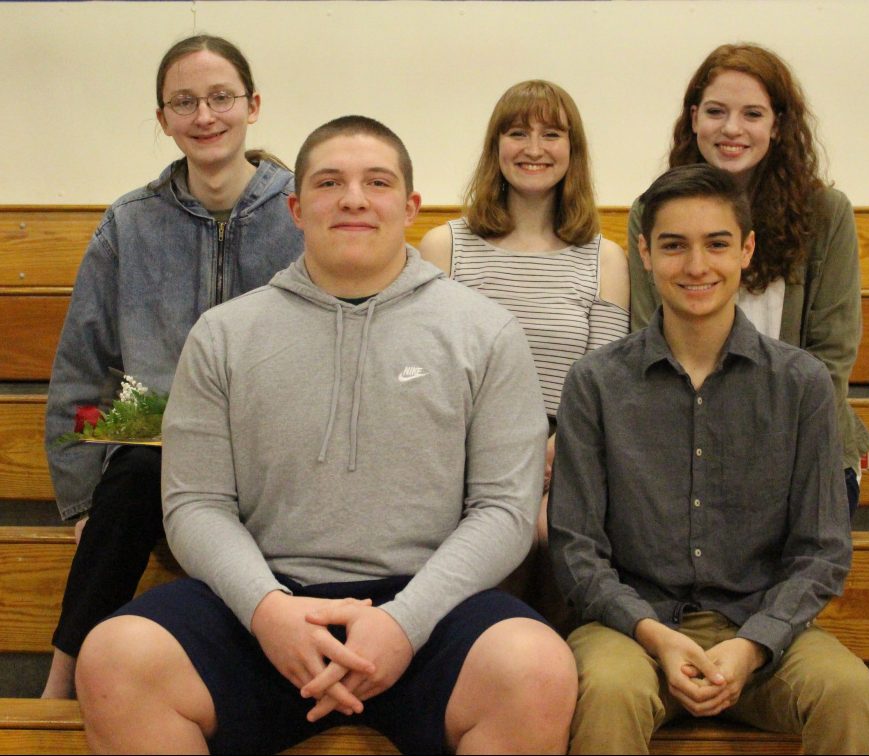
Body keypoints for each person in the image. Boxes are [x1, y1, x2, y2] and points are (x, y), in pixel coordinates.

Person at [74, 116, 578, 755]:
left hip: (430, 610)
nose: (354, 199)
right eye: (330, 183)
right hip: (263, 603)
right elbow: (195, 504)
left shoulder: (486, 332)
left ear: (410, 206)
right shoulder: (224, 335)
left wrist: (404, 623)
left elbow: (504, 510)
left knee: (536, 669)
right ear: (295, 208)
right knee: (116, 659)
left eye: (378, 182)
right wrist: (268, 611)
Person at [549, 164, 869, 755]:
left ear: (747, 251)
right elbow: (577, 549)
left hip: (760, 637)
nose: (697, 266)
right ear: (645, 255)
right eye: (674, 246)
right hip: (632, 632)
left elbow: (822, 550)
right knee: (605, 692)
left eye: (717, 244)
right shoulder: (595, 383)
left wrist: (754, 644)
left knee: (850, 693)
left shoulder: (801, 383)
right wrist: (655, 636)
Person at [41, 34, 304, 699]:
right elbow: (83, 368)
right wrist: (79, 502)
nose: (205, 116)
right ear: (163, 120)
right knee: (132, 472)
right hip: (161, 448)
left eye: (220, 98)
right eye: (184, 103)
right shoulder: (129, 224)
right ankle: (61, 683)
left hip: (280, 446)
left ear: (253, 105)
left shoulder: (304, 210)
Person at [627, 43, 869, 517]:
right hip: (686, 446)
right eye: (716, 111)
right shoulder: (651, 212)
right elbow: (648, 339)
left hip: (803, 445)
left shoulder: (826, 214)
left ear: (778, 126)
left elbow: (831, 359)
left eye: (752, 114)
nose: (732, 129)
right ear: (694, 118)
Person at [419, 80, 630, 546]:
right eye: (517, 133)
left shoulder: (607, 259)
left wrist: (556, 454)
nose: (534, 148)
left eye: (552, 134)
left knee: (553, 534)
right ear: (495, 147)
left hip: (571, 451)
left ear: (573, 150)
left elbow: (609, 385)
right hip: (464, 451)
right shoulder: (444, 248)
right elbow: (429, 376)